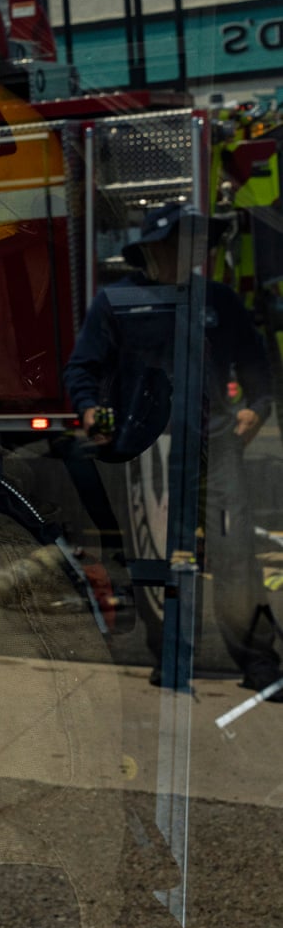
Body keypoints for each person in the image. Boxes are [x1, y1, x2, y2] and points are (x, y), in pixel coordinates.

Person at [63, 201, 280, 694]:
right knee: (159, 555)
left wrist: (258, 406)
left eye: (199, 239)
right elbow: (82, 367)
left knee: (235, 555)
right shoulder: (117, 301)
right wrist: (90, 408)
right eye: (184, 239)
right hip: (151, 453)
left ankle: (260, 664)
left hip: (217, 448)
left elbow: (256, 366)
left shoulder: (219, 300)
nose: (195, 248)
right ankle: (171, 658)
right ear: (155, 247)